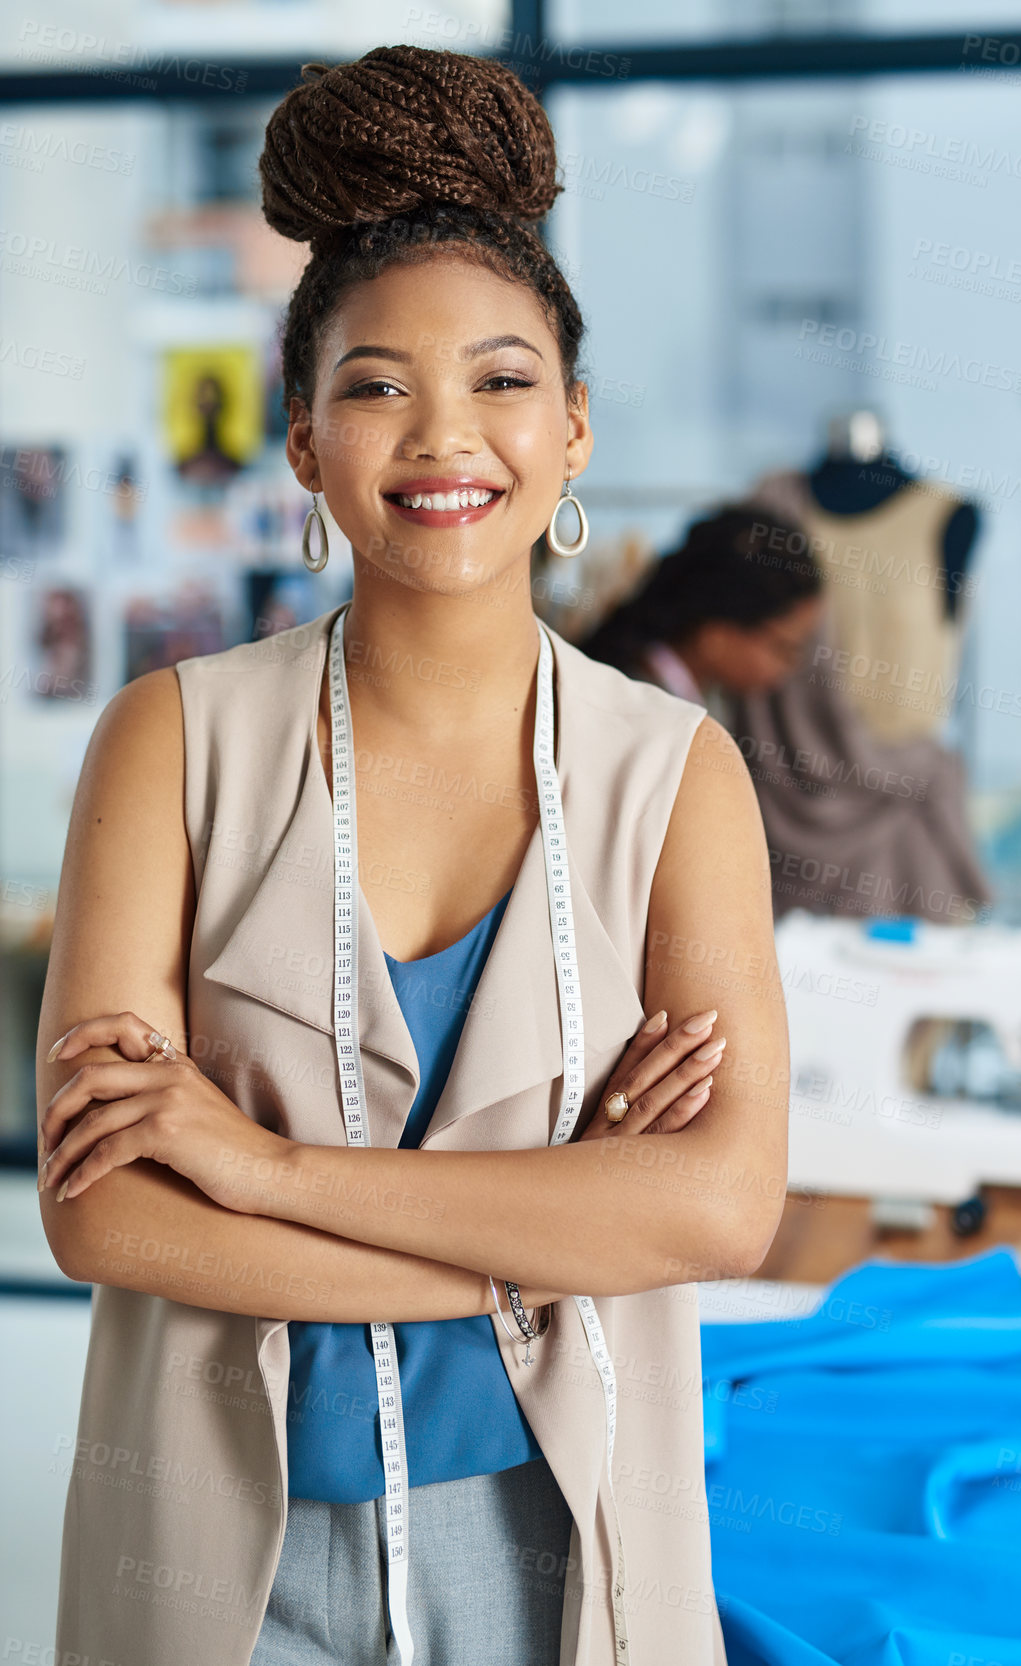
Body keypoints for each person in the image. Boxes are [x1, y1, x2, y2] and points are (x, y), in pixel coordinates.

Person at [34, 44, 788, 1666]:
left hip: (551, 1533)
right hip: (224, 1555)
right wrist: (547, 1233)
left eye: (503, 379)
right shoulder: (172, 742)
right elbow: (103, 1219)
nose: (445, 435)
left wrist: (255, 1168)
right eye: (376, 383)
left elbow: (721, 1206)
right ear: (303, 441)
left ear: (575, 428)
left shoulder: (674, 777)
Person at [578, 503, 823, 718]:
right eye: (784, 649)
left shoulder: (693, 698)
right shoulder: (648, 710)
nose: (790, 668)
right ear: (715, 636)